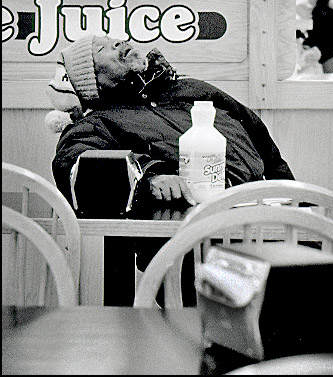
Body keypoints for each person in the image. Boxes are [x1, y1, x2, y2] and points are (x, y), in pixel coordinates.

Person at [45, 35, 295, 305]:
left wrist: (294, 199)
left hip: (266, 227)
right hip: (191, 250)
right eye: (101, 49)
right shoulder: (99, 122)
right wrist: (150, 177)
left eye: (114, 39)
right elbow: (72, 161)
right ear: (92, 82)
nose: (118, 43)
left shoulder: (193, 89)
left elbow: (262, 141)